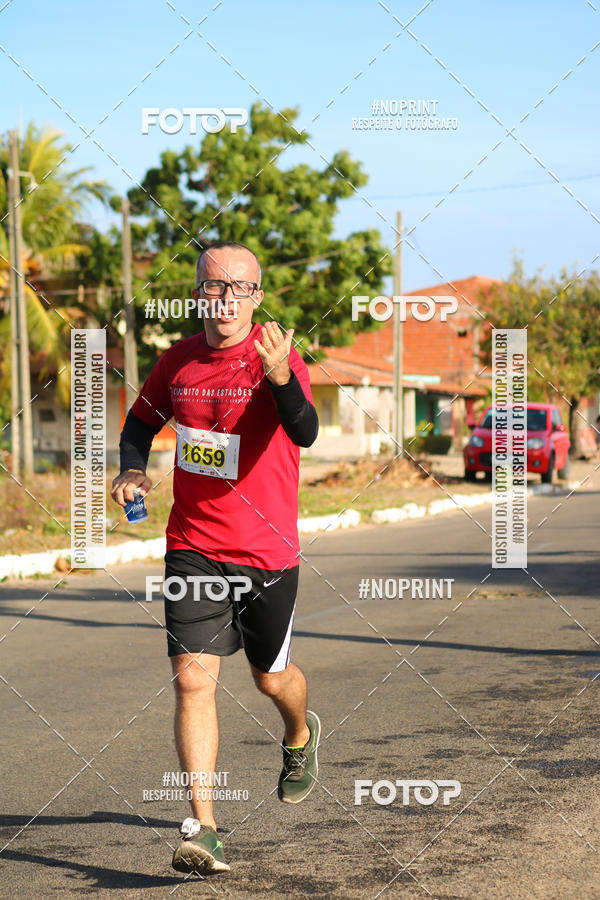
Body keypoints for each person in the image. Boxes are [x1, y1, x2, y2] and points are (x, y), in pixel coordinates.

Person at [110, 241, 320, 876]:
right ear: (197, 292)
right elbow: (139, 425)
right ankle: (203, 827)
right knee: (193, 679)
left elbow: (305, 430)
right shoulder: (176, 363)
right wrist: (131, 471)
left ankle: (301, 734)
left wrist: (281, 375)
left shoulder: (278, 359)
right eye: (212, 285)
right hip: (192, 548)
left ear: (255, 298)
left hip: (267, 552)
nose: (224, 297)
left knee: (269, 678)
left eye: (238, 287)